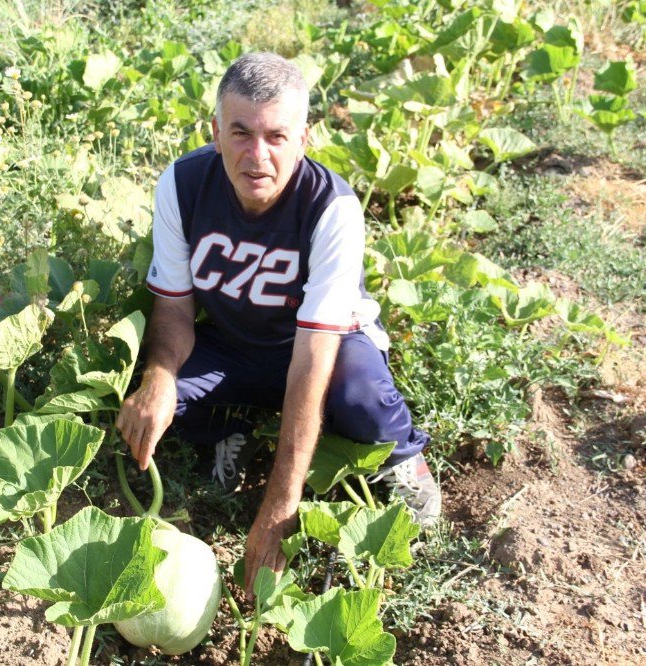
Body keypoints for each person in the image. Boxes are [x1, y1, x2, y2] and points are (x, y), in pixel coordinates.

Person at [115, 52, 439, 596]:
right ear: (214, 131)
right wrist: (161, 379)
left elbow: (314, 356)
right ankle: (234, 426)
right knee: (150, 402)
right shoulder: (182, 185)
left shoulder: (331, 207)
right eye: (240, 132)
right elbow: (173, 307)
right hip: (235, 344)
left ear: (304, 138)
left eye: (276, 136)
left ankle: (407, 461)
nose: (257, 155)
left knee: (361, 399)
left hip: (324, 347)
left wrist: (280, 504)